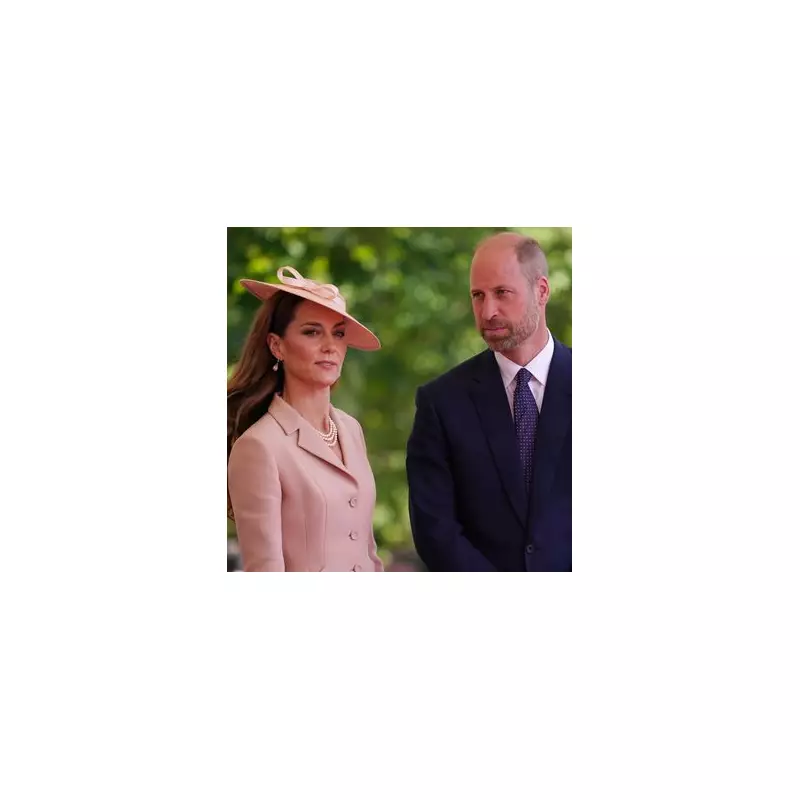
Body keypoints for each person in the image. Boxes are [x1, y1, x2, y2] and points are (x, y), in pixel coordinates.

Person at [406, 233, 571, 571]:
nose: (488, 311)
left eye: (502, 293)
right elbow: (435, 530)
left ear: (541, 291)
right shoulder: (440, 403)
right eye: (478, 296)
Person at [228, 266, 384, 572]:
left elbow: (367, 549)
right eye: (312, 332)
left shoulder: (351, 429)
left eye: (338, 333)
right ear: (276, 345)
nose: (330, 346)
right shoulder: (258, 446)